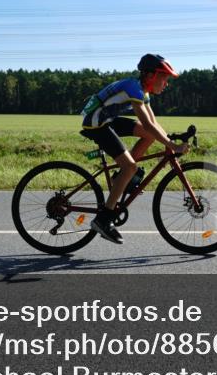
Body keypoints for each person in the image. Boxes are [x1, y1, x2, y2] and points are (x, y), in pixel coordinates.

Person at [79, 54, 188, 244]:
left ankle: (123, 176)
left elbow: (153, 124)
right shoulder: (133, 89)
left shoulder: (143, 93)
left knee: (147, 138)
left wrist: (170, 139)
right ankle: (103, 220)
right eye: (164, 78)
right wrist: (171, 145)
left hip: (108, 119)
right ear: (151, 75)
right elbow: (147, 123)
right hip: (96, 122)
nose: (166, 83)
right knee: (130, 167)